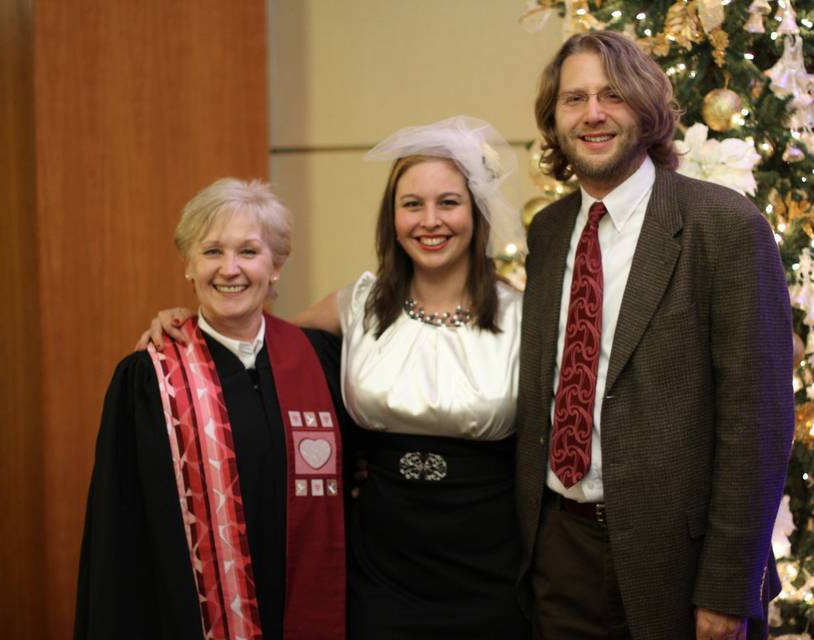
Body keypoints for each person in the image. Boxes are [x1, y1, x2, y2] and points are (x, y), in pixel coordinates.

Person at [139, 117, 530, 639]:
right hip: (382, 569)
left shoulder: (526, 314)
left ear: (476, 213)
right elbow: (255, 336)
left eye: (448, 203)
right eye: (411, 204)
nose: (429, 220)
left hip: (491, 564)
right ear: (392, 218)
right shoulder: (360, 304)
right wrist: (185, 322)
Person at [515, 31, 795, 640]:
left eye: (612, 95)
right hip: (558, 552)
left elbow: (760, 423)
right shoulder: (549, 232)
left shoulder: (722, 226)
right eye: (574, 99)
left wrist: (726, 587)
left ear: (645, 108)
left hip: (681, 564)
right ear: (554, 118)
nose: (592, 114)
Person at [75, 178, 350, 640]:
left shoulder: (320, 360)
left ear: (276, 265)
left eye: (248, 251)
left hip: (306, 609)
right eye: (212, 252)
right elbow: (118, 532)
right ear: (188, 264)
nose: (230, 269)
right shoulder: (151, 378)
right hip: (188, 618)